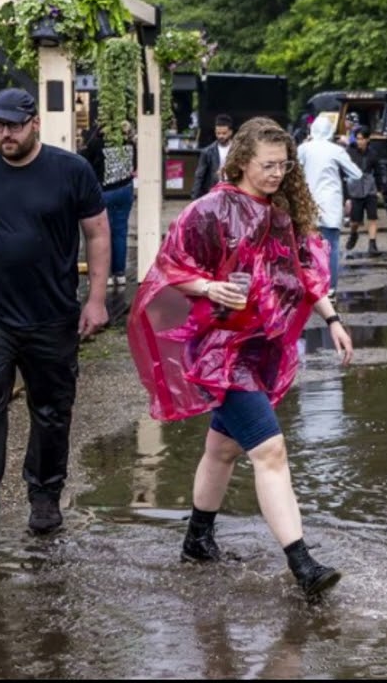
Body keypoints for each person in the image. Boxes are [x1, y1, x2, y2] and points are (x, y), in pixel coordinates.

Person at [126, 117, 353, 598]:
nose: (277, 173)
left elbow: (307, 272)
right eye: (268, 165)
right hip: (218, 352)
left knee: (222, 449)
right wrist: (209, 286)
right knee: (270, 450)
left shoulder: (282, 213)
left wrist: (332, 320)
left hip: (260, 348)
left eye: (283, 165)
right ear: (243, 161)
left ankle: (197, 539)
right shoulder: (210, 210)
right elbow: (168, 267)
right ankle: (303, 564)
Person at [0, 88, 110, 546]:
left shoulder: (71, 170)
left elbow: (97, 232)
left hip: (52, 315)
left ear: (34, 123)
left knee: (52, 412)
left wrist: (96, 298)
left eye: (13, 125)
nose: (5, 133)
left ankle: (45, 498)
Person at [297, 115, 362, 291]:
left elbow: (293, 170)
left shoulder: (303, 148)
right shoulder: (336, 150)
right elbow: (357, 174)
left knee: (308, 245)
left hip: (308, 202)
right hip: (331, 202)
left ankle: (312, 286)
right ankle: (330, 288)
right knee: (331, 246)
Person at [81, 123, 137, 286]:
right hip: (125, 189)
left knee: (100, 235)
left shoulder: (97, 143)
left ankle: (102, 274)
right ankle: (119, 274)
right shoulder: (128, 142)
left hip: (105, 191)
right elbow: (134, 165)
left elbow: (85, 161)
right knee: (120, 232)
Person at [344, 126, 382, 256]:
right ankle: (353, 234)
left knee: (372, 216)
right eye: (358, 139)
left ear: (367, 139)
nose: (360, 142)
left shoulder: (373, 153)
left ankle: (372, 244)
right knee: (355, 220)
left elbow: (378, 171)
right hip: (355, 188)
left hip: (369, 187)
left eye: (362, 139)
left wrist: (380, 189)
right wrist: (346, 196)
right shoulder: (350, 151)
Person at [192, 114, 235, 199]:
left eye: (224, 133)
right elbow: (199, 176)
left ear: (230, 132)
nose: (221, 136)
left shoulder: (237, 150)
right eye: (218, 133)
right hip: (213, 193)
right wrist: (195, 198)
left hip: (233, 192)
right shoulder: (207, 152)